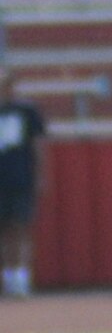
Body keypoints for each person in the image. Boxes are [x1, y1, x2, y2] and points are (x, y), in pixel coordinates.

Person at [0, 66, 48, 299]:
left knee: (21, 227)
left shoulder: (26, 111)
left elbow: (38, 145)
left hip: (20, 178)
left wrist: (40, 176)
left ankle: (21, 277)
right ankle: (7, 276)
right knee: (3, 230)